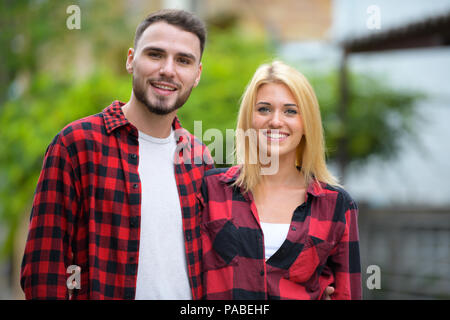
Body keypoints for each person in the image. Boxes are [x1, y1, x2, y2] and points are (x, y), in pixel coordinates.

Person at [20, 9, 214, 300]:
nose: (168, 70)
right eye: (155, 55)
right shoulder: (77, 145)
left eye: (183, 60)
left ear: (197, 74)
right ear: (130, 59)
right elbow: (44, 273)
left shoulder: (199, 159)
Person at [199, 61, 361, 299]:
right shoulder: (210, 190)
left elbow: (347, 294)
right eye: (264, 109)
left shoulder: (336, 205)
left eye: (290, 111)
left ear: (306, 124)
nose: (276, 121)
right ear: (248, 119)